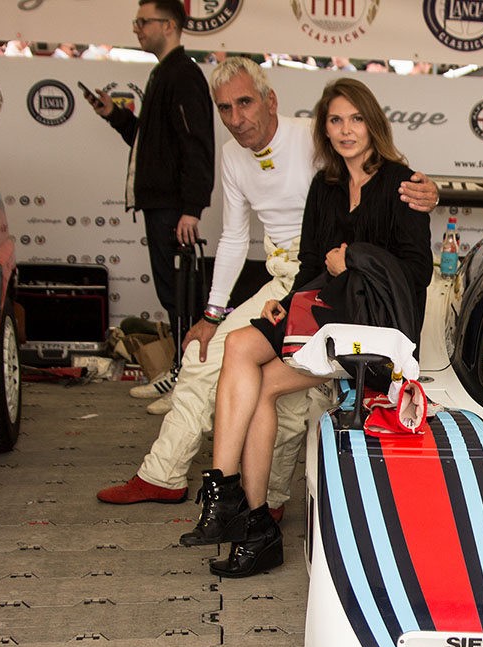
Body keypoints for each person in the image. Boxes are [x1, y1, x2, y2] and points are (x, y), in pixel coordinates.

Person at [97, 60, 438, 513]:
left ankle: (266, 503)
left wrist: (429, 194)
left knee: (289, 400)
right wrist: (214, 312)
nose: (237, 118)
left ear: (270, 100)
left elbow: (403, 240)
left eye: (245, 103)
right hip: (305, 280)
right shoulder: (280, 165)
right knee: (215, 356)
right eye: (225, 109)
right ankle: (186, 482)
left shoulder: (322, 147)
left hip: (351, 300)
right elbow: (239, 238)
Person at [181, 78, 433, 578]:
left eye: (356, 119)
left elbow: (416, 272)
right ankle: (235, 502)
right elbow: (310, 265)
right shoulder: (327, 184)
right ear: (325, 128)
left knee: (259, 384)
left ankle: (246, 520)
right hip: (321, 312)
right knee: (240, 348)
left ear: (372, 122)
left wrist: (355, 257)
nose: (346, 130)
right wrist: (285, 302)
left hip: (372, 329)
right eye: (335, 120)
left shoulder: (402, 182)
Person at [86, 0, 215, 397]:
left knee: (181, 296)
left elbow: (197, 145)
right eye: (136, 21)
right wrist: (116, 115)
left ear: (170, 25)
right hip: (163, 204)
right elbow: (154, 145)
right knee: (172, 294)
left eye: (144, 21)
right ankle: (183, 377)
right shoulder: (164, 73)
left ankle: (189, 383)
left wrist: (191, 209)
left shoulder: (184, 76)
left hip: (174, 208)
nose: (137, 29)